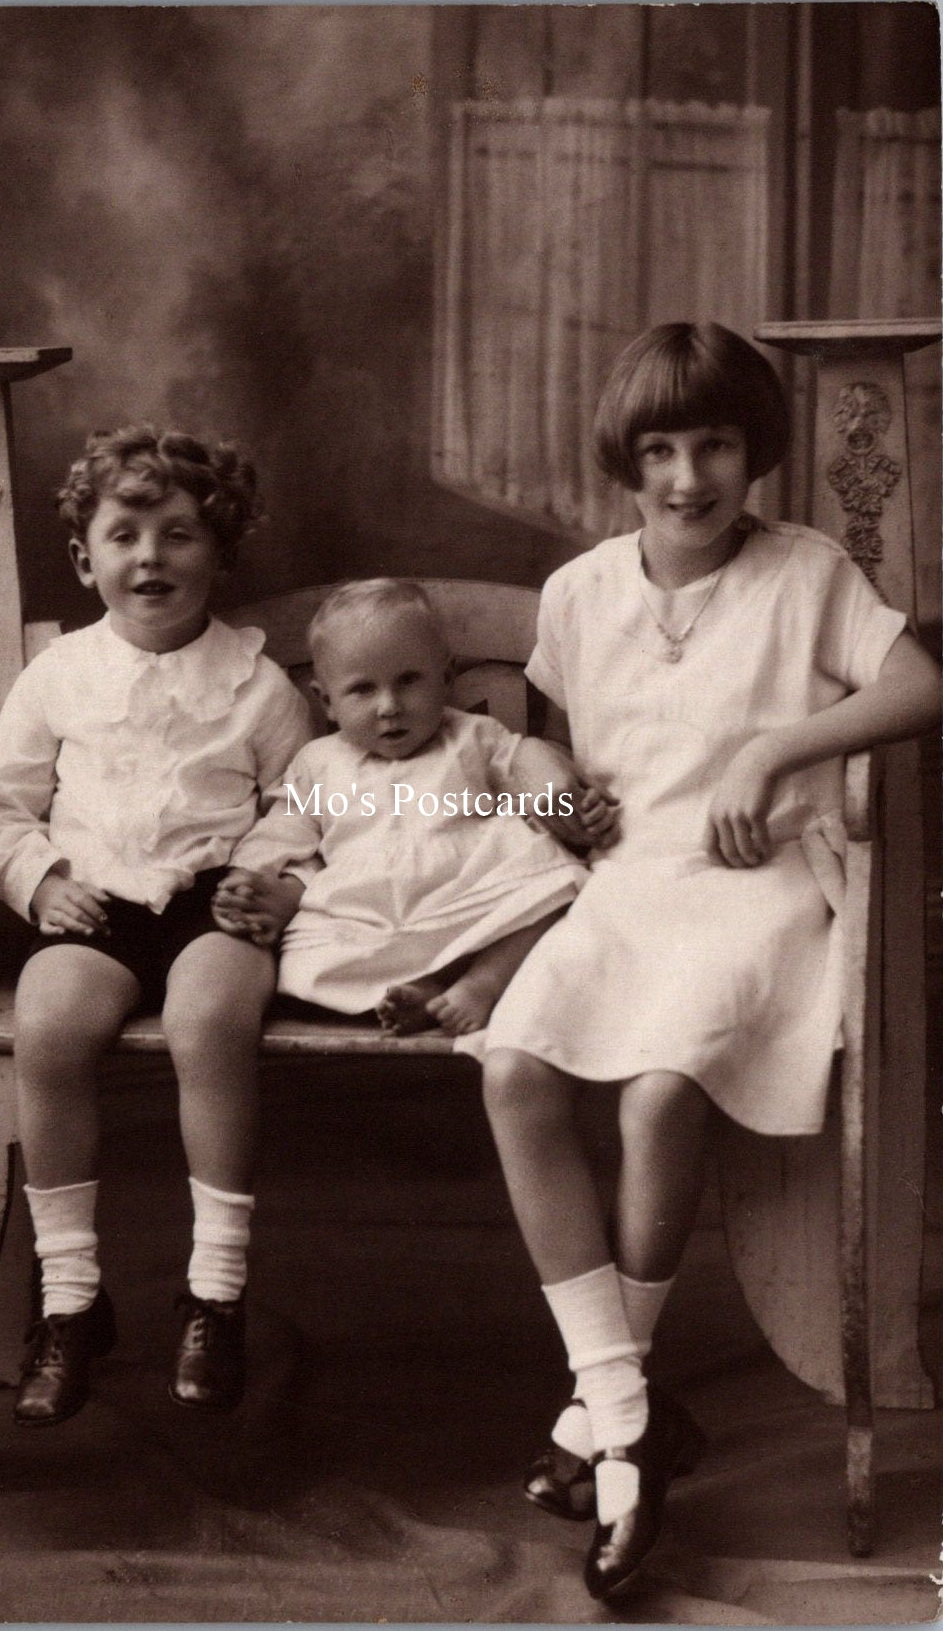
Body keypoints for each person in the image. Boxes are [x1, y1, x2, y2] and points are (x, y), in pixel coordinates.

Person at [475, 323, 940, 1600]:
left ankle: (608, 1441)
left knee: (658, 1088)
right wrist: (552, 784)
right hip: (629, 887)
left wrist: (768, 753)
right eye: (660, 449)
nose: (688, 477)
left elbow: (916, 687)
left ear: (755, 452)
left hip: (755, 887)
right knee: (511, 1067)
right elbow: (551, 743)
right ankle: (626, 1413)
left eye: (716, 444)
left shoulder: (806, 571)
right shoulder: (578, 590)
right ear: (623, 460)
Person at [0, 426, 312, 1426]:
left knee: (210, 1018)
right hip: (95, 899)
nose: (151, 556)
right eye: (125, 534)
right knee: (49, 1020)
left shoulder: (255, 683)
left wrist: (267, 876)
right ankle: (72, 1299)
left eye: (178, 534)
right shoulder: (57, 678)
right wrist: (40, 881)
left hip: (215, 897)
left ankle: (215, 1292)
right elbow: (1, 809)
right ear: (86, 558)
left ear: (220, 553)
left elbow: (302, 801)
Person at [212, 578, 595, 1036]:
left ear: (446, 677)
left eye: (409, 681)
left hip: (466, 891)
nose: (389, 706)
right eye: (362, 690)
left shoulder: (473, 736)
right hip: (365, 910)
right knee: (304, 961)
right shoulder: (317, 763)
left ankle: (484, 982)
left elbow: (524, 763)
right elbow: (284, 826)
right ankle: (422, 988)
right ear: (326, 702)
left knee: (559, 884)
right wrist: (251, 874)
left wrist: (555, 787)